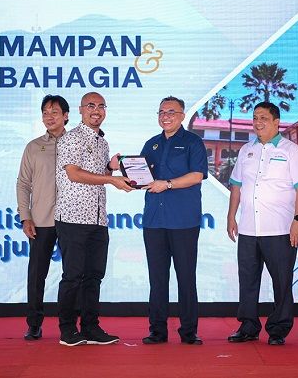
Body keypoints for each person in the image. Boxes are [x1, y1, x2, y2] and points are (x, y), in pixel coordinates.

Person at [226, 101, 298, 346]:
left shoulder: (291, 150)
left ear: (277, 122)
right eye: (255, 117)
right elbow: (236, 186)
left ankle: (278, 329)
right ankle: (248, 326)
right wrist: (231, 216)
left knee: (281, 281)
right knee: (247, 280)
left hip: (280, 228)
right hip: (248, 228)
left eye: (263, 118)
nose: (258, 122)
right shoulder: (246, 150)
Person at [54, 92, 133, 346]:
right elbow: (74, 174)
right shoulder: (71, 138)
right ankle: (67, 330)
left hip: (98, 219)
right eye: (90, 105)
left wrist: (110, 168)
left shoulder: (102, 142)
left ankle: (90, 327)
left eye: (101, 106)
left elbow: (96, 174)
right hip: (73, 217)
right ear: (80, 109)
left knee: (94, 276)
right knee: (73, 276)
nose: (96, 110)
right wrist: (111, 179)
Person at [140, 96, 208, 345]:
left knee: (186, 277)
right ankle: (157, 331)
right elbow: (141, 176)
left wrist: (167, 184)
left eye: (171, 111)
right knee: (157, 278)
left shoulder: (193, 142)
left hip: (183, 221)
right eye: (161, 112)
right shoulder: (151, 144)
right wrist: (120, 168)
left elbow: (197, 176)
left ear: (182, 115)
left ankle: (189, 331)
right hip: (154, 221)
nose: (165, 116)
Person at [16, 94, 69, 341]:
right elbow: (23, 184)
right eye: (45, 113)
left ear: (66, 116)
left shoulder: (76, 143)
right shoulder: (33, 147)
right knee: (37, 275)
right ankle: (34, 324)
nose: (49, 117)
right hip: (41, 220)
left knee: (73, 275)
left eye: (54, 112)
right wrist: (25, 217)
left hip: (72, 219)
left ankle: (69, 324)